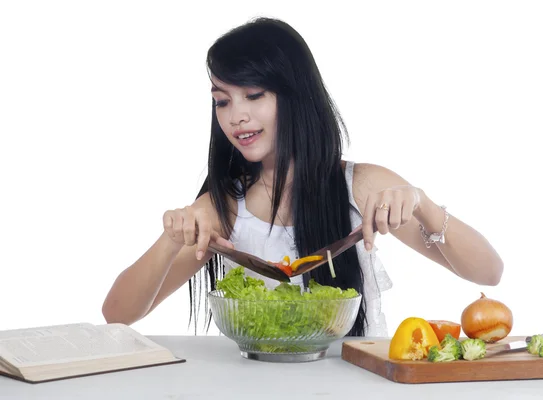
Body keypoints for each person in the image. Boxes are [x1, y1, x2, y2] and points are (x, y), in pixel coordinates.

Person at [102, 17, 504, 337]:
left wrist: (423, 205)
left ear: (296, 95)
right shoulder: (222, 205)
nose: (235, 115)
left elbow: (488, 273)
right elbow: (117, 314)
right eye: (222, 101)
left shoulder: (360, 187)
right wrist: (169, 241)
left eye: (254, 95)